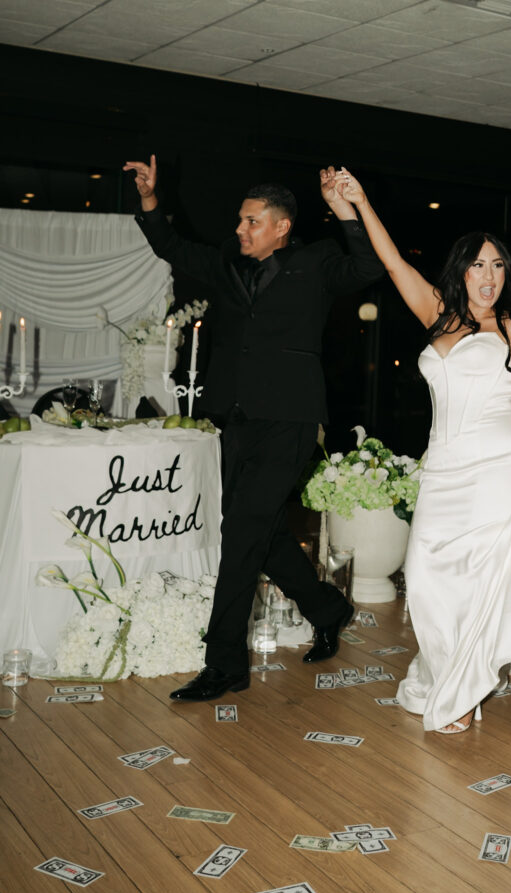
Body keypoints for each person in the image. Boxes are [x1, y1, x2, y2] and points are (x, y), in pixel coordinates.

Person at [323, 165, 511, 753]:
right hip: (443, 469)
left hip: (497, 469)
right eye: (479, 264)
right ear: (462, 271)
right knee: (425, 582)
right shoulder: (437, 315)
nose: (490, 276)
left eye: (499, 266)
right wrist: (361, 202)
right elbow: (395, 262)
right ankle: (454, 677)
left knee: (495, 585)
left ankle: (457, 696)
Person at [122, 156, 384, 701]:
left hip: (290, 420)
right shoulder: (227, 264)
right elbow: (171, 246)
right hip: (236, 421)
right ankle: (327, 608)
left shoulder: (315, 263)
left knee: (241, 535)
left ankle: (225, 665)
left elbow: (367, 267)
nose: (239, 230)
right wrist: (150, 199)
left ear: (281, 226)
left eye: (251, 222)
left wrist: (346, 211)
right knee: (259, 536)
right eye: (240, 221)